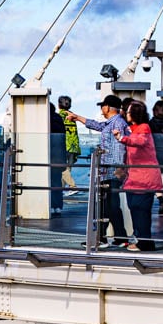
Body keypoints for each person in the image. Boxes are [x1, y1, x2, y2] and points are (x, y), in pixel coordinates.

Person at [67, 94, 129, 248]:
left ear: (107, 107)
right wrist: (78, 118)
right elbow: (97, 126)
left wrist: (118, 168)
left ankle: (102, 238)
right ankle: (119, 237)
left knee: (106, 205)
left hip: (111, 171)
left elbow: (118, 147)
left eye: (103, 106)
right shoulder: (113, 123)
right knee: (109, 205)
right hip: (108, 171)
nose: (102, 109)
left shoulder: (117, 124)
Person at [113, 100, 163, 252]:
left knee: (141, 209)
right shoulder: (134, 129)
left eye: (128, 112)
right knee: (135, 208)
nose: (125, 114)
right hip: (135, 178)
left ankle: (145, 242)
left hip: (144, 178)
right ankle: (141, 239)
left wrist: (122, 138)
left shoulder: (144, 128)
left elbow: (139, 141)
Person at [57, 96, 80, 193]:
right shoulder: (73, 116)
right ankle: (60, 190)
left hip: (63, 146)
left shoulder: (59, 116)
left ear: (59, 105)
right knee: (68, 170)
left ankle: (73, 186)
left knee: (61, 169)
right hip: (73, 146)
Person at [49, 103, 67, 216]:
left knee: (47, 182)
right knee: (56, 181)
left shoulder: (47, 120)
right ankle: (58, 206)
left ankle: (51, 205)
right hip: (59, 157)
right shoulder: (58, 119)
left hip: (49, 156)